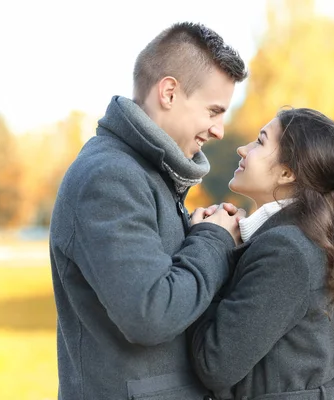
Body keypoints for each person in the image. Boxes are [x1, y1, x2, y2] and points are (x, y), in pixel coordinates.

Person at [49, 22, 248, 399]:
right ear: (169, 92)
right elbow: (150, 315)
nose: (220, 130)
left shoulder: (146, 174)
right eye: (214, 111)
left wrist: (196, 237)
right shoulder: (109, 177)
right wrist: (212, 241)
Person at [188, 108, 334, 400]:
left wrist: (209, 243)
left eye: (259, 142)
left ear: (287, 173)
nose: (243, 149)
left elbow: (215, 364)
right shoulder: (295, 240)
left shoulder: (286, 250)